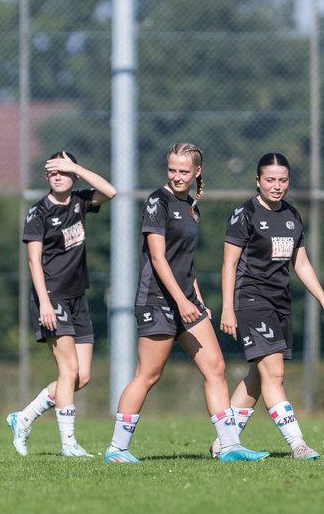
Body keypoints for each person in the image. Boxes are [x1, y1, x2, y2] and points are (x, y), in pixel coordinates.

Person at [103, 143, 268, 464]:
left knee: (216, 368)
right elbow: (158, 257)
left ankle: (230, 446)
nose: (177, 177)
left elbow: (185, 264)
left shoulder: (192, 206)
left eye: (183, 171)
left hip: (188, 302)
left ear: (197, 172)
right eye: (172, 170)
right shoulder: (157, 202)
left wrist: (198, 301)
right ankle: (116, 449)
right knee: (148, 375)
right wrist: (180, 301)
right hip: (158, 300)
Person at [220, 152, 324, 460]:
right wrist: (227, 308)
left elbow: (300, 262)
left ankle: (225, 441)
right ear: (258, 181)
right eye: (270, 180)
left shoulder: (291, 215)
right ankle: (298, 444)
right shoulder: (245, 214)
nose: (277, 186)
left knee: (258, 377)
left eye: (283, 180)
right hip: (251, 300)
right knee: (274, 373)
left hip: (280, 303)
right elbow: (229, 264)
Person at [6, 152, 115, 457]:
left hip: (78, 296)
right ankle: (69, 444)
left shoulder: (81, 202)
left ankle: (24, 417)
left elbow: (111, 192)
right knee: (68, 370)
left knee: (82, 376)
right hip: (51, 296)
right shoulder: (39, 212)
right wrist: (42, 302)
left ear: (74, 176)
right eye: (52, 171)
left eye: (63, 171)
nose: (57, 176)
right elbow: (33, 260)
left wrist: (76, 166)